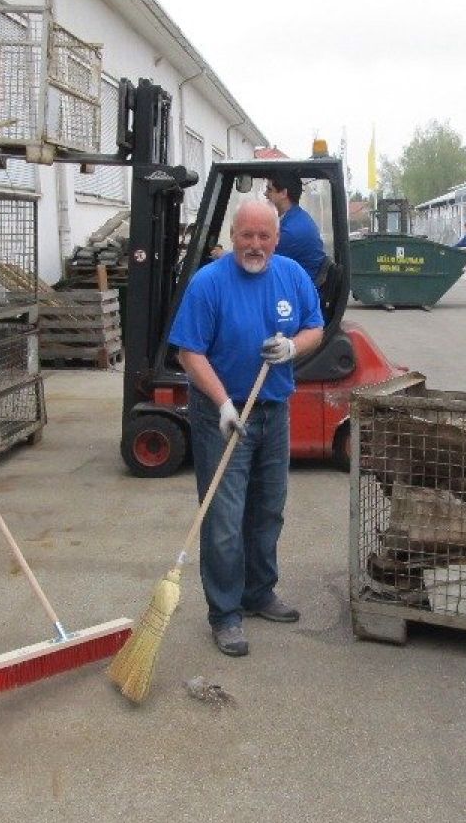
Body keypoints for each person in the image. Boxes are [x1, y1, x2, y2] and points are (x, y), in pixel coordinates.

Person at [169, 200, 324, 657]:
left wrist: (293, 346)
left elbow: (315, 326)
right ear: (233, 236)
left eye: (264, 236)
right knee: (223, 518)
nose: (255, 245)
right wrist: (222, 404)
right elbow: (188, 352)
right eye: (247, 235)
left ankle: (258, 592)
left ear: (277, 239)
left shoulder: (292, 275)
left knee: (268, 508)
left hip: (274, 410)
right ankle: (225, 613)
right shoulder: (208, 283)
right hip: (223, 414)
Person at [264, 170, 329, 288]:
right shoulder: (296, 217)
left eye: (269, 189)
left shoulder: (291, 231)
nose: (265, 194)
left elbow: (261, 265)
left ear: (283, 193)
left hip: (298, 294)